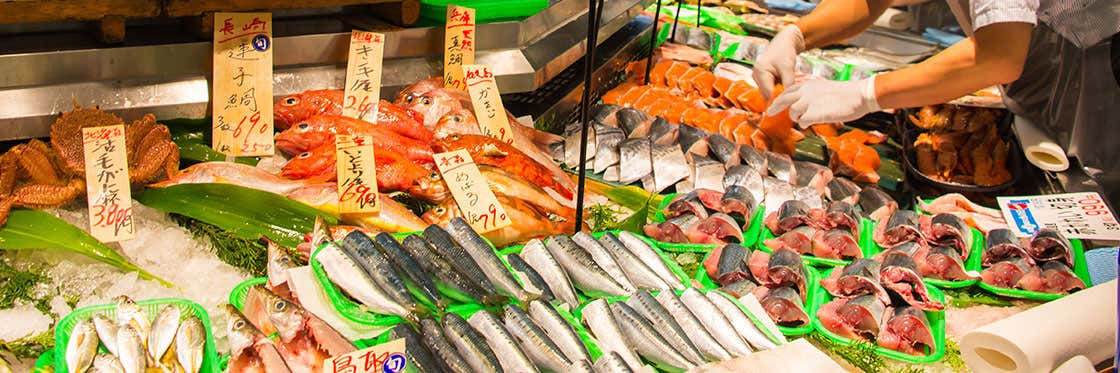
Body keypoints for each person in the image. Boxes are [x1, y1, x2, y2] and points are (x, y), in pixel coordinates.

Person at [754, 0, 1120, 205]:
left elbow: (999, 56)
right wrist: (797, 34)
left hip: (1097, 81)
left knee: (1097, 197)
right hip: (1037, 89)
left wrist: (866, 93)